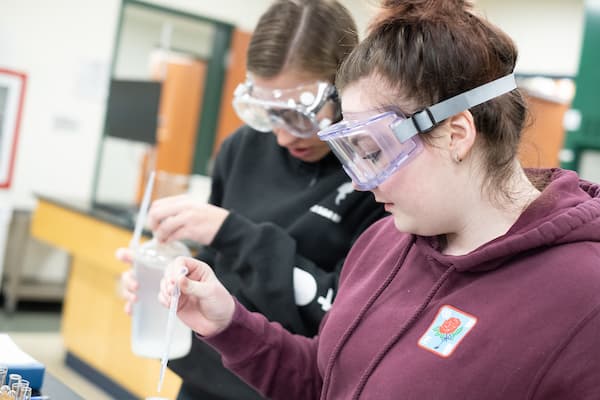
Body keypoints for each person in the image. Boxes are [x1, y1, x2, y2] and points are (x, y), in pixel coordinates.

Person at [158, 0, 600, 399]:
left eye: (373, 151)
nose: (363, 184)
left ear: (456, 134)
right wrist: (228, 324)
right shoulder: (383, 242)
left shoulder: (583, 295)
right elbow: (323, 380)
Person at [118, 1, 386, 399]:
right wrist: (173, 279)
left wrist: (233, 232)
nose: (282, 135)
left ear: (344, 87)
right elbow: (213, 266)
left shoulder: (375, 175)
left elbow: (340, 310)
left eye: (299, 115)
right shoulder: (242, 148)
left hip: (290, 386)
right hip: (205, 377)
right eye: (268, 114)